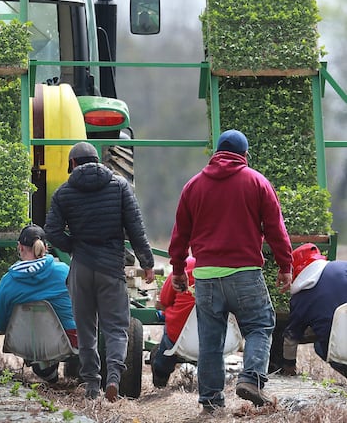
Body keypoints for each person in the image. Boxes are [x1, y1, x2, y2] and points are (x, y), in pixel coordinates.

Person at [167, 129, 293, 412]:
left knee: (211, 340)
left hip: (206, 276)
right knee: (260, 324)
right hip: (244, 272)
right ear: (244, 155)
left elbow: (180, 233)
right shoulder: (257, 182)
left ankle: (211, 402)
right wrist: (285, 265)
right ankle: (251, 378)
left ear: (216, 154)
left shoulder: (193, 186)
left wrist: (177, 269)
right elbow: (276, 228)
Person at [44, 141, 155, 402]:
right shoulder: (120, 187)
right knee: (116, 328)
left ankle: (92, 385)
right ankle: (113, 377)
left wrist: (74, 246)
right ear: (99, 160)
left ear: (72, 164)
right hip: (110, 267)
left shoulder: (64, 192)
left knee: (86, 330)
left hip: (81, 267)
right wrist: (147, 263)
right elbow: (136, 229)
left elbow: (52, 232)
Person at [0, 224, 76, 383]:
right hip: (68, 341)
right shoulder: (64, 271)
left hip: (26, 344)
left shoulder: (8, 281)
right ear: (46, 247)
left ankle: (47, 373)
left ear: (19, 247)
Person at [281, 243, 347, 379]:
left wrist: (289, 365)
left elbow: (290, 338)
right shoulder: (341, 267)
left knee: (320, 346)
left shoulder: (299, 299)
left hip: (341, 348)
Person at [151, 256, 196, 388]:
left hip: (179, 336)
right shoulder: (230, 267)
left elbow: (164, 300)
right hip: (216, 337)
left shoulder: (188, 264)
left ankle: (161, 372)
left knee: (173, 323)